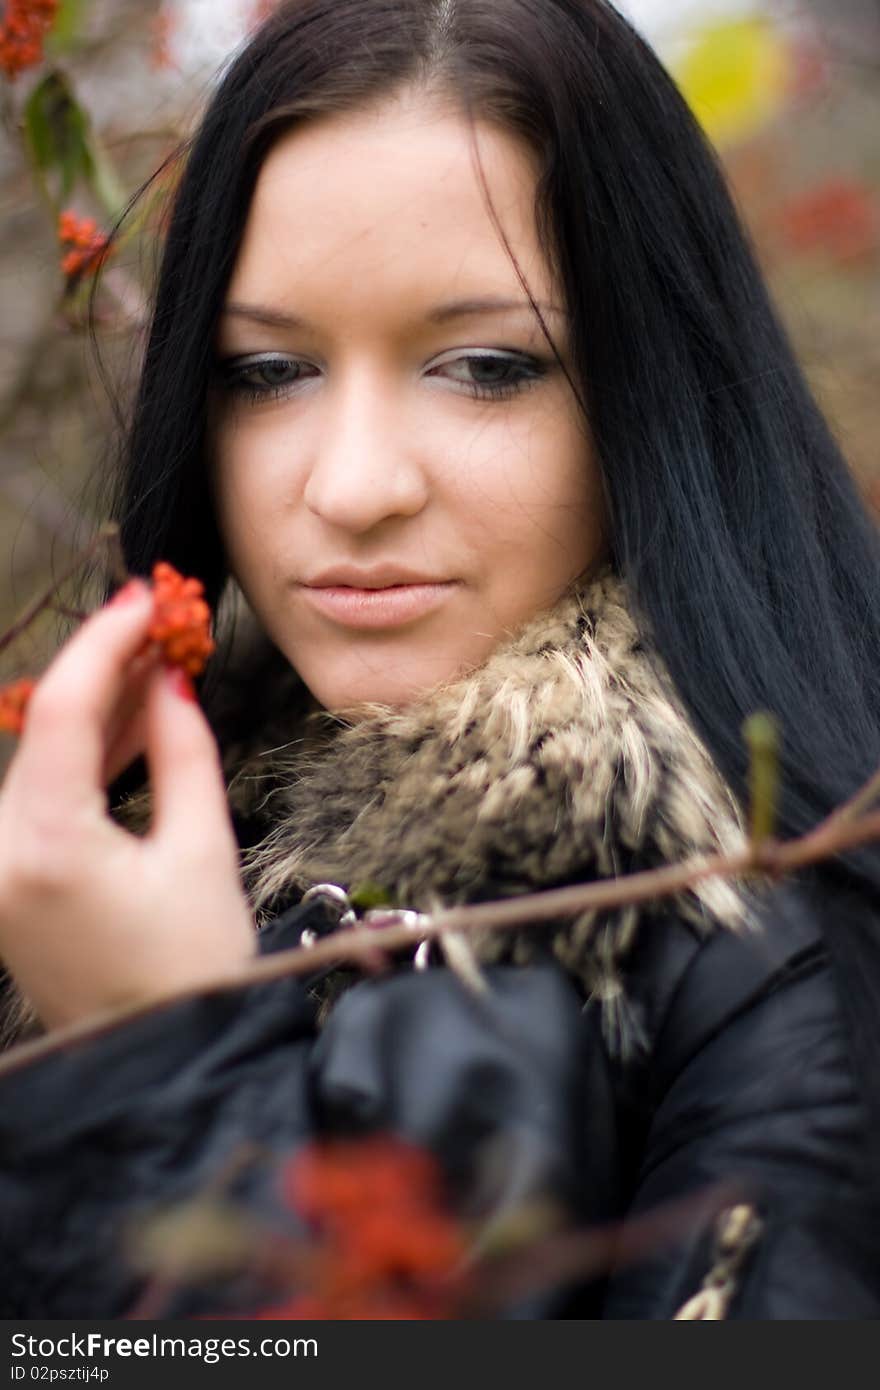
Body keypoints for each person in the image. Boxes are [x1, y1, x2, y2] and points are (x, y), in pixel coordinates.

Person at [0, 0, 879, 1320]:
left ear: (658, 391)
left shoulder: (774, 972)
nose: (352, 487)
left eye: (483, 365)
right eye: (270, 369)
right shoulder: (142, 847)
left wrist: (158, 1079)